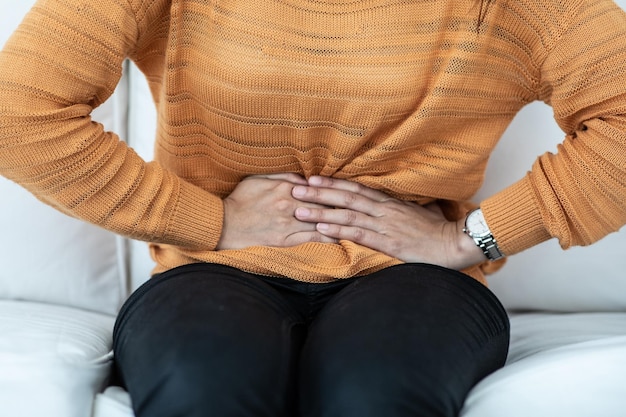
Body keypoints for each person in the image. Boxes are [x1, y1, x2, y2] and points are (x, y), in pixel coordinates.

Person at [0, 0, 625, 416]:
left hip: (415, 282)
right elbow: (18, 111)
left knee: (371, 393)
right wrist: (210, 222)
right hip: (212, 275)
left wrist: (472, 238)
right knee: (202, 387)